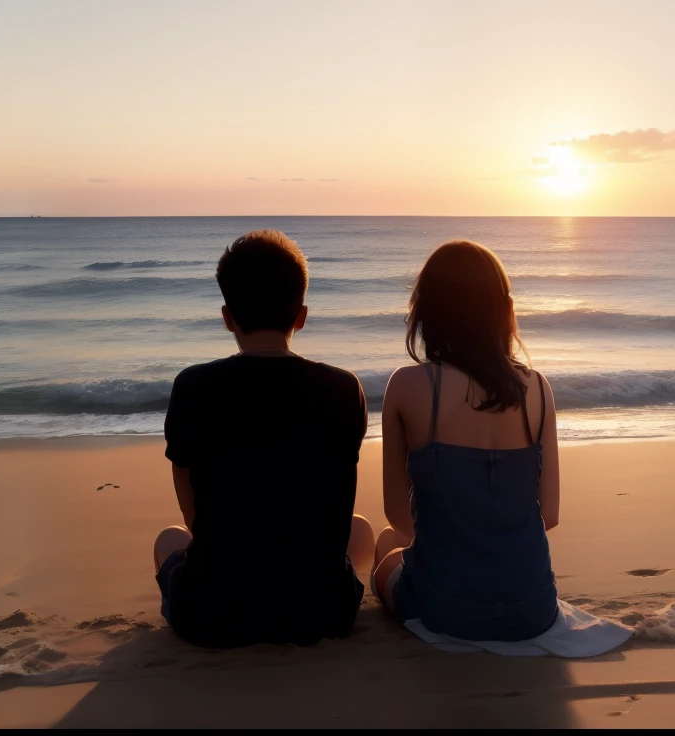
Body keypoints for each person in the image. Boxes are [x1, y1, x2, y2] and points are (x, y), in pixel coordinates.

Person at [154, 230, 375, 647]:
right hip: (322, 612)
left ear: (226, 316)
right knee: (360, 531)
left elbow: (190, 503)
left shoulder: (194, 386)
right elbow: (337, 493)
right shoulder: (343, 388)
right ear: (302, 315)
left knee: (169, 539)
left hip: (213, 614)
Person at [372, 240, 562, 642]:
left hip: (448, 610)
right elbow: (550, 515)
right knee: (398, 547)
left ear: (426, 314)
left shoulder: (406, 387)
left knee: (386, 556)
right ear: (505, 313)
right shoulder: (538, 389)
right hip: (533, 608)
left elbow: (398, 515)